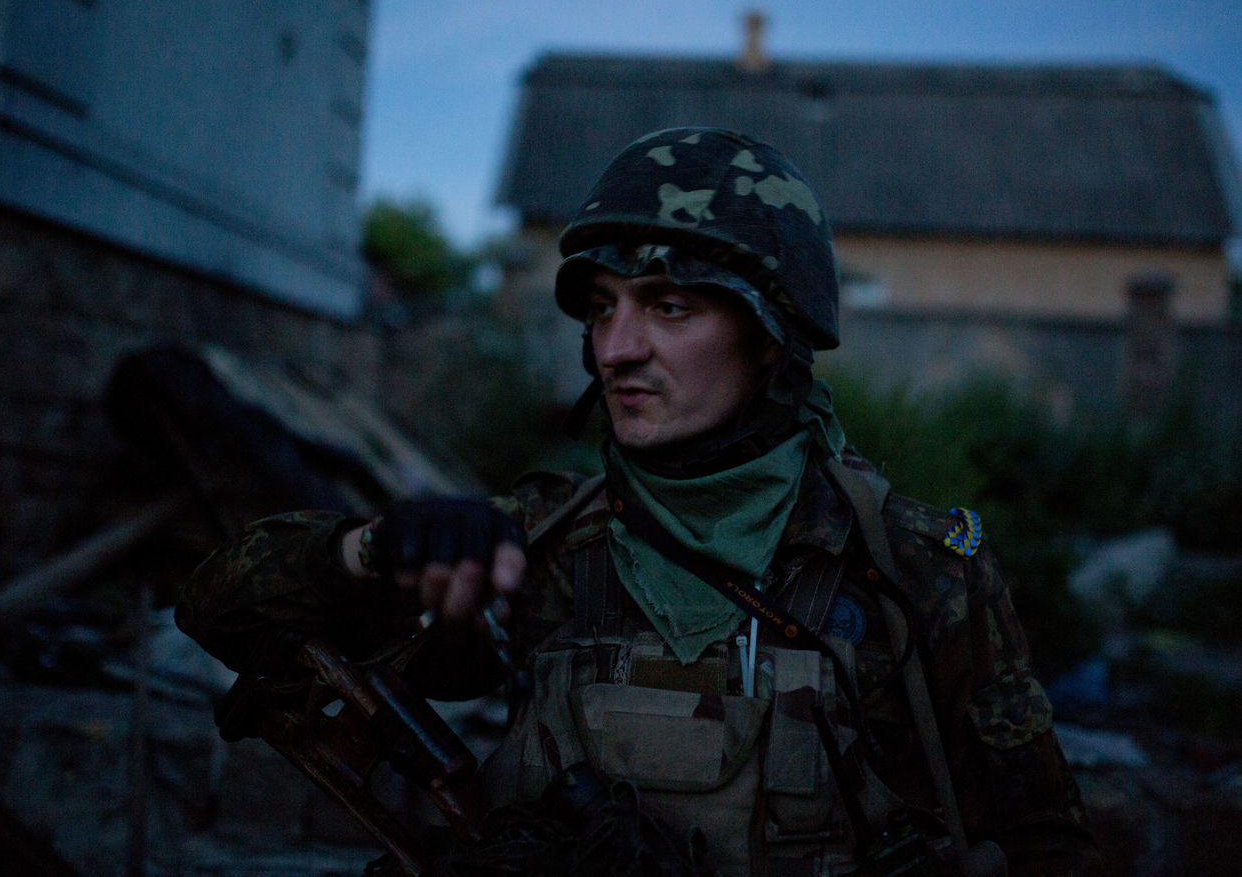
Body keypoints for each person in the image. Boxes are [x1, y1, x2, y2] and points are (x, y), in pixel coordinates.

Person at [177, 127, 1102, 876]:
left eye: (669, 306)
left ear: (771, 335)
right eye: (602, 306)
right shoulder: (540, 544)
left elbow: (1046, 842)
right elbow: (218, 612)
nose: (617, 349)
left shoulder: (912, 570)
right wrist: (369, 548)